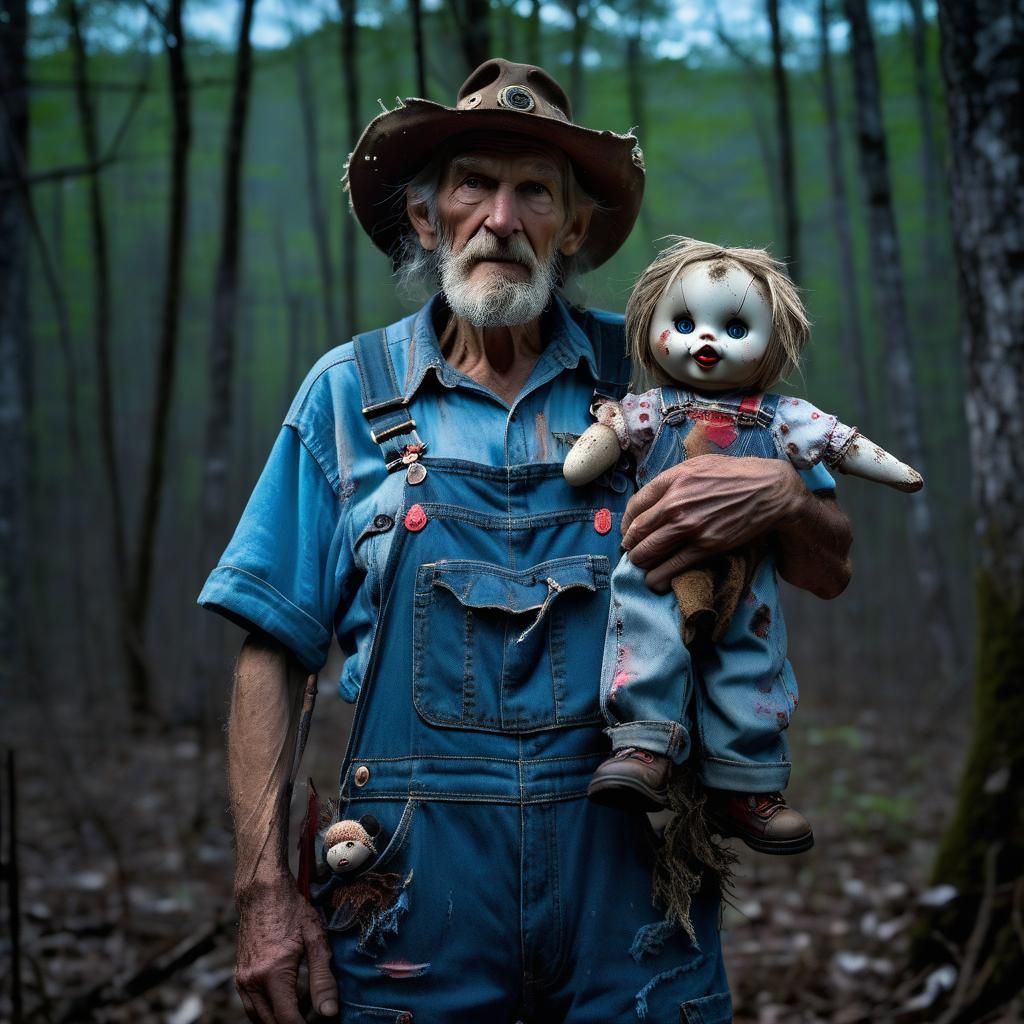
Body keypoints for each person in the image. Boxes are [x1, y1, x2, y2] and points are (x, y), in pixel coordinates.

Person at [198, 59, 853, 1024]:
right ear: (427, 218)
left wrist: (784, 494)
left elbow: (828, 566)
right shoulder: (346, 394)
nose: (501, 219)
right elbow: (271, 648)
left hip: (631, 894)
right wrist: (262, 897)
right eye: (473, 184)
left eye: (533, 191)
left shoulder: (661, 381)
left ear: (573, 228)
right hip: (409, 907)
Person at [564, 237, 921, 855]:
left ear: (773, 338)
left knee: (750, 663)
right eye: (684, 323)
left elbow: (840, 444)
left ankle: (747, 784)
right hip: (656, 561)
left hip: (747, 574)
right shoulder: (653, 408)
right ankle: (643, 745)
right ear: (651, 324)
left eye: (733, 327)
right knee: (646, 634)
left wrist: (897, 472)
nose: (706, 341)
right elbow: (608, 439)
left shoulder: (782, 418)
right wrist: (590, 448)